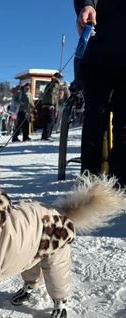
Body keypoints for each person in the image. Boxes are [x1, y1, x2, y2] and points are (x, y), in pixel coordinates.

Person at [74, 0, 126, 187]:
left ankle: (120, 186)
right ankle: (89, 187)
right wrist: (86, 5)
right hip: (98, 54)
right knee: (94, 121)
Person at [41, 72, 62, 140]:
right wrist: (52, 104)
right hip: (49, 105)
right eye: (60, 78)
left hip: (46, 104)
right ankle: (46, 136)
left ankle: (47, 135)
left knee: (49, 121)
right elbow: (53, 95)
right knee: (50, 121)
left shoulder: (50, 84)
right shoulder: (55, 84)